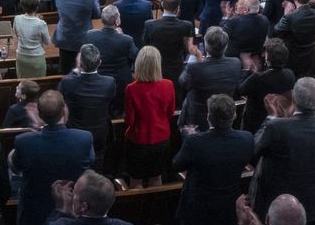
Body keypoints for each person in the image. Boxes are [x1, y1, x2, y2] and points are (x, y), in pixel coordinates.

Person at [11, 91, 96, 225]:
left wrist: (37, 132)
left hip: (35, 210)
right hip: (73, 210)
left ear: (39, 115)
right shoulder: (83, 139)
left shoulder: (24, 142)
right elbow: (88, 161)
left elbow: (15, 166)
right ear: (64, 111)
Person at [171, 93, 255, 225]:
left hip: (197, 209)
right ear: (234, 116)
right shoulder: (246, 139)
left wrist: (188, 139)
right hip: (228, 208)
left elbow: (176, 165)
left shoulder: (194, 142)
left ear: (208, 117)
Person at [251, 78, 315, 225]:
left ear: (294, 99)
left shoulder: (276, 126)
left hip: (276, 205)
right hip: (310, 203)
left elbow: (252, 150)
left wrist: (272, 116)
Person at [122, 46, 176, 188]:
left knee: (136, 179)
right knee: (156, 176)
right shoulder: (168, 85)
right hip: (162, 138)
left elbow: (130, 120)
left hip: (138, 140)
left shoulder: (131, 89)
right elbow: (170, 113)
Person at [59, 44, 117, 161]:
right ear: (99, 63)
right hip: (100, 134)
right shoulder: (109, 83)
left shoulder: (67, 82)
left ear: (79, 64)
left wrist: (74, 72)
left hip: (75, 135)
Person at [178, 26, 242, 128]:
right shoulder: (236, 63)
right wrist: (199, 59)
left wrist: (194, 59)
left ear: (206, 46)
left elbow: (183, 82)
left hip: (197, 120)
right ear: (225, 47)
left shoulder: (194, 68)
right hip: (225, 115)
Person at [11, 0, 51, 78]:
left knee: (22, 85)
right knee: (37, 86)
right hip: (36, 59)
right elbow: (47, 42)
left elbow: (17, 36)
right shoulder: (41, 23)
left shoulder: (17, 19)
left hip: (21, 57)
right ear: (37, 7)